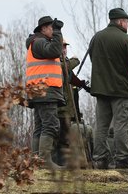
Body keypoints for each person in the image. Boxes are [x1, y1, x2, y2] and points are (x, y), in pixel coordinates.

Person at [89, 8, 128, 169]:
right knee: (121, 125)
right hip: (121, 90)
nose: (127, 24)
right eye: (126, 21)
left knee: (101, 126)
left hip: (100, 89)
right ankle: (122, 159)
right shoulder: (125, 39)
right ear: (120, 21)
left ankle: (100, 159)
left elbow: (93, 58)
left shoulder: (96, 37)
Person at [26, 16, 65, 169]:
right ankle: (44, 162)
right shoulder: (40, 42)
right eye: (50, 27)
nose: (52, 30)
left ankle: (36, 162)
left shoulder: (36, 43)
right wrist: (58, 32)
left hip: (39, 91)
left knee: (41, 126)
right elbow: (56, 50)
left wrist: (55, 32)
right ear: (43, 29)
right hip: (45, 90)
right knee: (50, 125)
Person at [54, 39, 81, 167]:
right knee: (57, 137)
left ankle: (63, 164)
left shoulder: (65, 63)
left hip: (68, 108)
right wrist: (75, 60)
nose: (64, 50)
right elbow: (65, 68)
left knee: (65, 138)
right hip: (59, 107)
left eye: (65, 47)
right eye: (62, 47)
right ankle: (56, 163)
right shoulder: (56, 63)